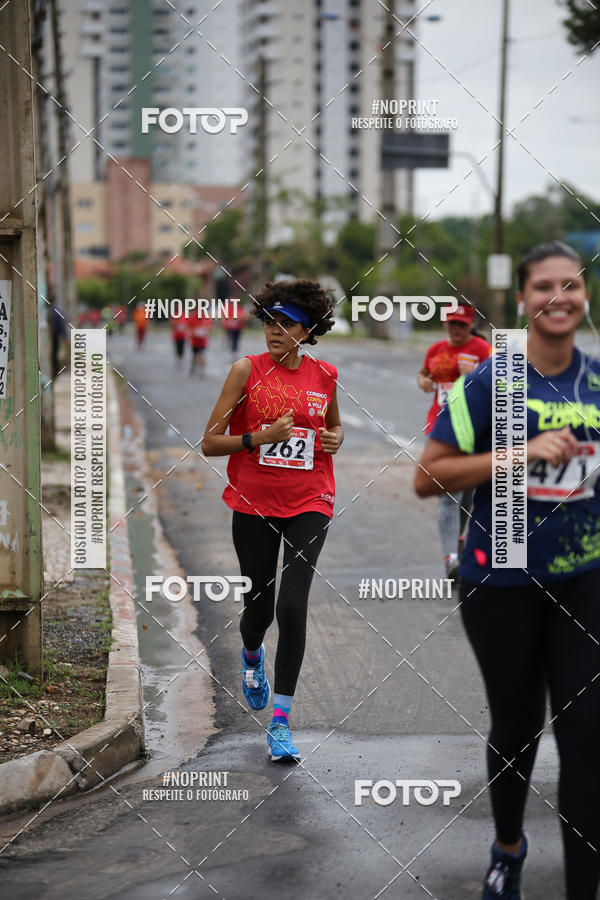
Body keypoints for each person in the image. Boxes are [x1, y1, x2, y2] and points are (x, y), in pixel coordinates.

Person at [414, 241, 600, 900]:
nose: (559, 297)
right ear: (522, 300)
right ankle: (508, 848)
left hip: (584, 578)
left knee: (586, 737)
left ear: (583, 297)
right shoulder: (493, 380)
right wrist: (517, 455)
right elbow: (428, 475)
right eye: (544, 286)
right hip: (502, 580)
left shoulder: (597, 380)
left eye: (571, 285)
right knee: (518, 727)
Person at [202, 280, 342, 761]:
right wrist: (258, 437)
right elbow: (209, 442)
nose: (275, 330)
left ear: (309, 330)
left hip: (311, 499)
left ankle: (281, 721)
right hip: (254, 503)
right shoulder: (246, 370)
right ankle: (251, 654)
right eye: (269, 320)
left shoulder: (325, 375)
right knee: (258, 610)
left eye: (287, 324)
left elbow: (333, 427)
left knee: (294, 604)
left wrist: (334, 440)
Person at [417, 303, 491, 578]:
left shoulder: (482, 351)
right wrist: (423, 381)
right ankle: (451, 559)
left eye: (461, 324)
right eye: (452, 323)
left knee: (468, 496)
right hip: (442, 429)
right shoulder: (436, 351)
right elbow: (424, 374)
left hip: (475, 430)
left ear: (471, 325)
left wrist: (473, 377)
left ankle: (460, 543)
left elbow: (501, 381)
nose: (456, 329)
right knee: (449, 495)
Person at [187, 308, 212, 376]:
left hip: (202, 340)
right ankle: (193, 367)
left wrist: (206, 331)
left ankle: (201, 370)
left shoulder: (206, 317)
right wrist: (193, 332)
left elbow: (209, 327)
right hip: (194, 340)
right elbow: (188, 326)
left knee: (201, 354)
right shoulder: (192, 317)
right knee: (194, 355)